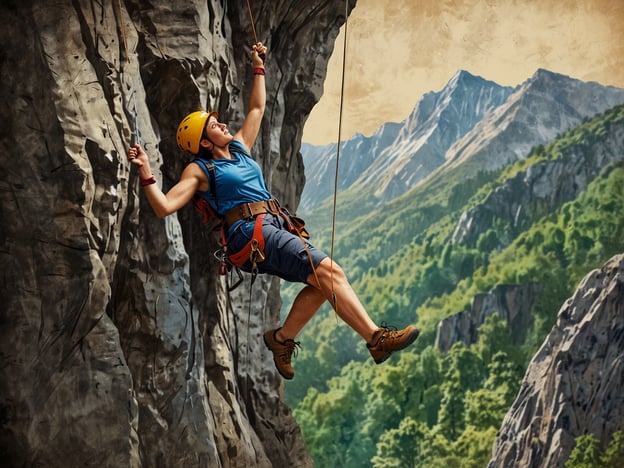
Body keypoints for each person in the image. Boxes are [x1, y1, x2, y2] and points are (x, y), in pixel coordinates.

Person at [128, 42, 419, 380]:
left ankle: (281, 339)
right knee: (331, 272)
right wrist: (146, 171)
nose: (222, 125)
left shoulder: (237, 149)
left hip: (271, 228)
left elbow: (257, 108)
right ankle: (375, 339)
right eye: (213, 126)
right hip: (251, 234)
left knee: (322, 285)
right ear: (204, 143)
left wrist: (258, 66)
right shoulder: (200, 171)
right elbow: (165, 207)